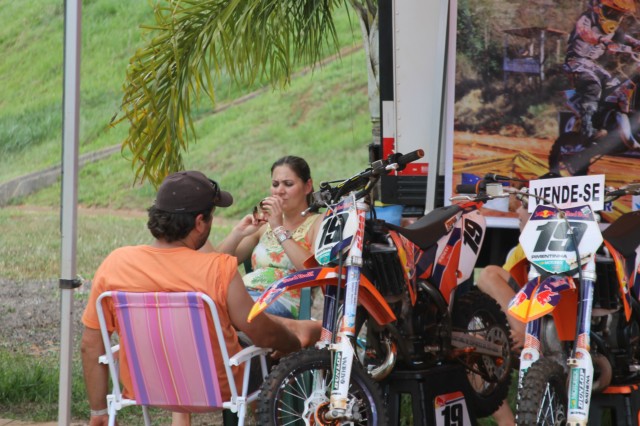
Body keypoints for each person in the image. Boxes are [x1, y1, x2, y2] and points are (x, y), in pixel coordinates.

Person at [80, 170, 321, 426]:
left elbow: (90, 345)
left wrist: (98, 412)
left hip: (144, 388)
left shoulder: (115, 263)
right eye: (211, 217)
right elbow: (264, 334)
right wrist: (292, 342)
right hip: (219, 389)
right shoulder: (218, 269)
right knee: (299, 334)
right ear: (198, 223)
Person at [205, 156, 323, 319]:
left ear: (307, 186)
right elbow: (216, 265)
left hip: (283, 302)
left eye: (288, 184)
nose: (279, 190)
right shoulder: (264, 226)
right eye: (275, 184)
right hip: (246, 295)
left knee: (219, 310)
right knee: (204, 304)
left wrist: (278, 228)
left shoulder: (317, 222)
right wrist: (238, 232)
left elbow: (313, 271)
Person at [475, 195, 530, 426]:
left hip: (552, 332)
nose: (518, 211)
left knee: (488, 273)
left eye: (525, 206)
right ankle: (508, 423)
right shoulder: (518, 252)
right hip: (520, 324)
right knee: (471, 347)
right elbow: (498, 297)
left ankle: (525, 333)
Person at [564, 0, 640, 139]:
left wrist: (636, 44)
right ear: (601, 8)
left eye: (617, 14)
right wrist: (604, 41)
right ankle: (587, 128)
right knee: (593, 86)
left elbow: (624, 37)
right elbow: (585, 32)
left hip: (592, 64)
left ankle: (607, 122)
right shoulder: (587, 18)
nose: (613, 16)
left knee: (617, 89)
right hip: (575, 61)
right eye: (610, 12)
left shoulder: (613, 28)